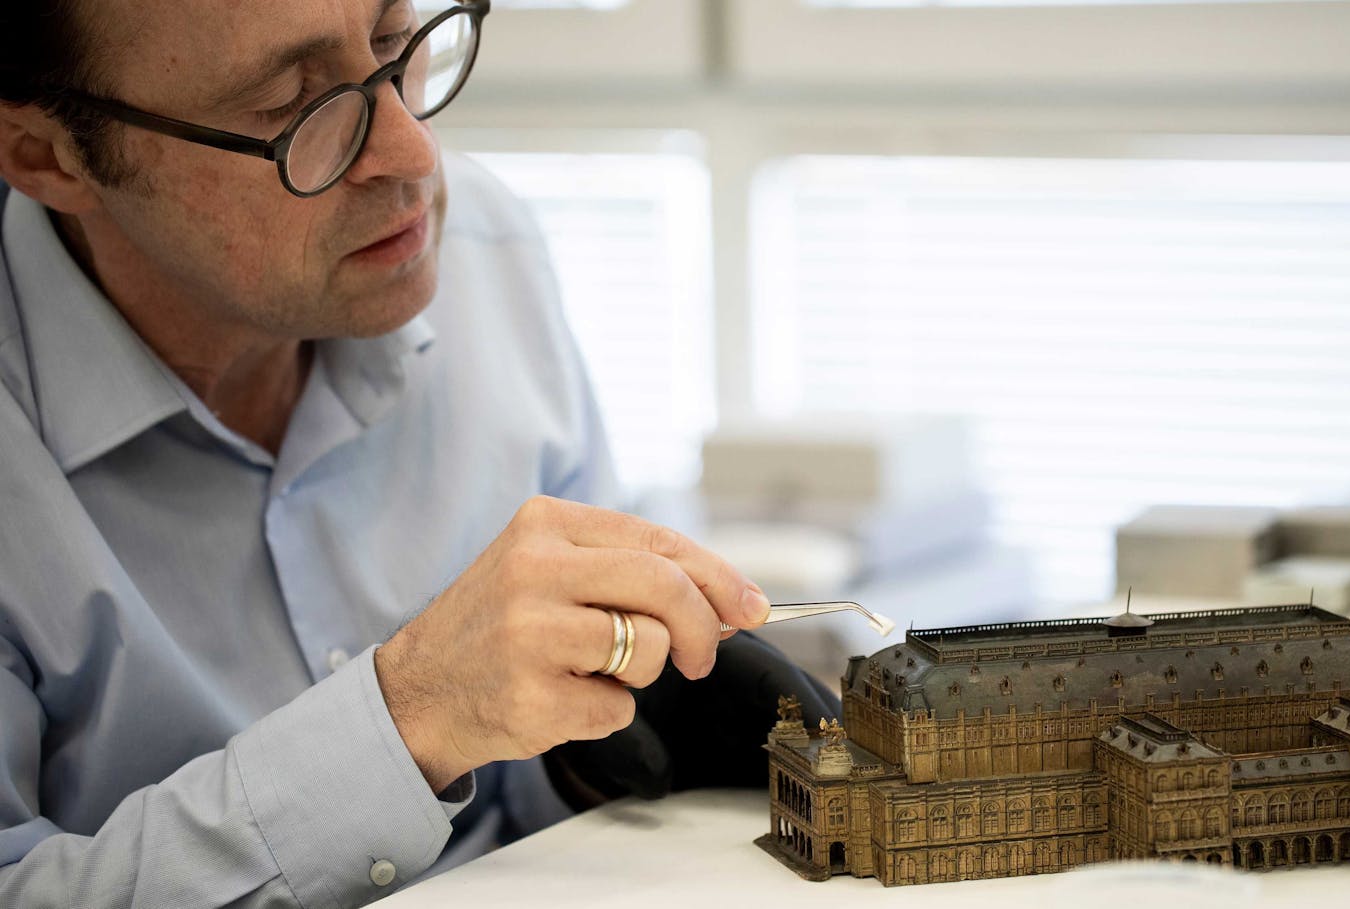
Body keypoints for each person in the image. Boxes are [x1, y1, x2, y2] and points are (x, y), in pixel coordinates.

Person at [0, 0, 836, 905]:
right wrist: (410, 717)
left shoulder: (484, 249)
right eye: (290, 108)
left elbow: (536, 783)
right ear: (47, 154)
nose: (413, 154)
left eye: (398, 46)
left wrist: (612, 731)